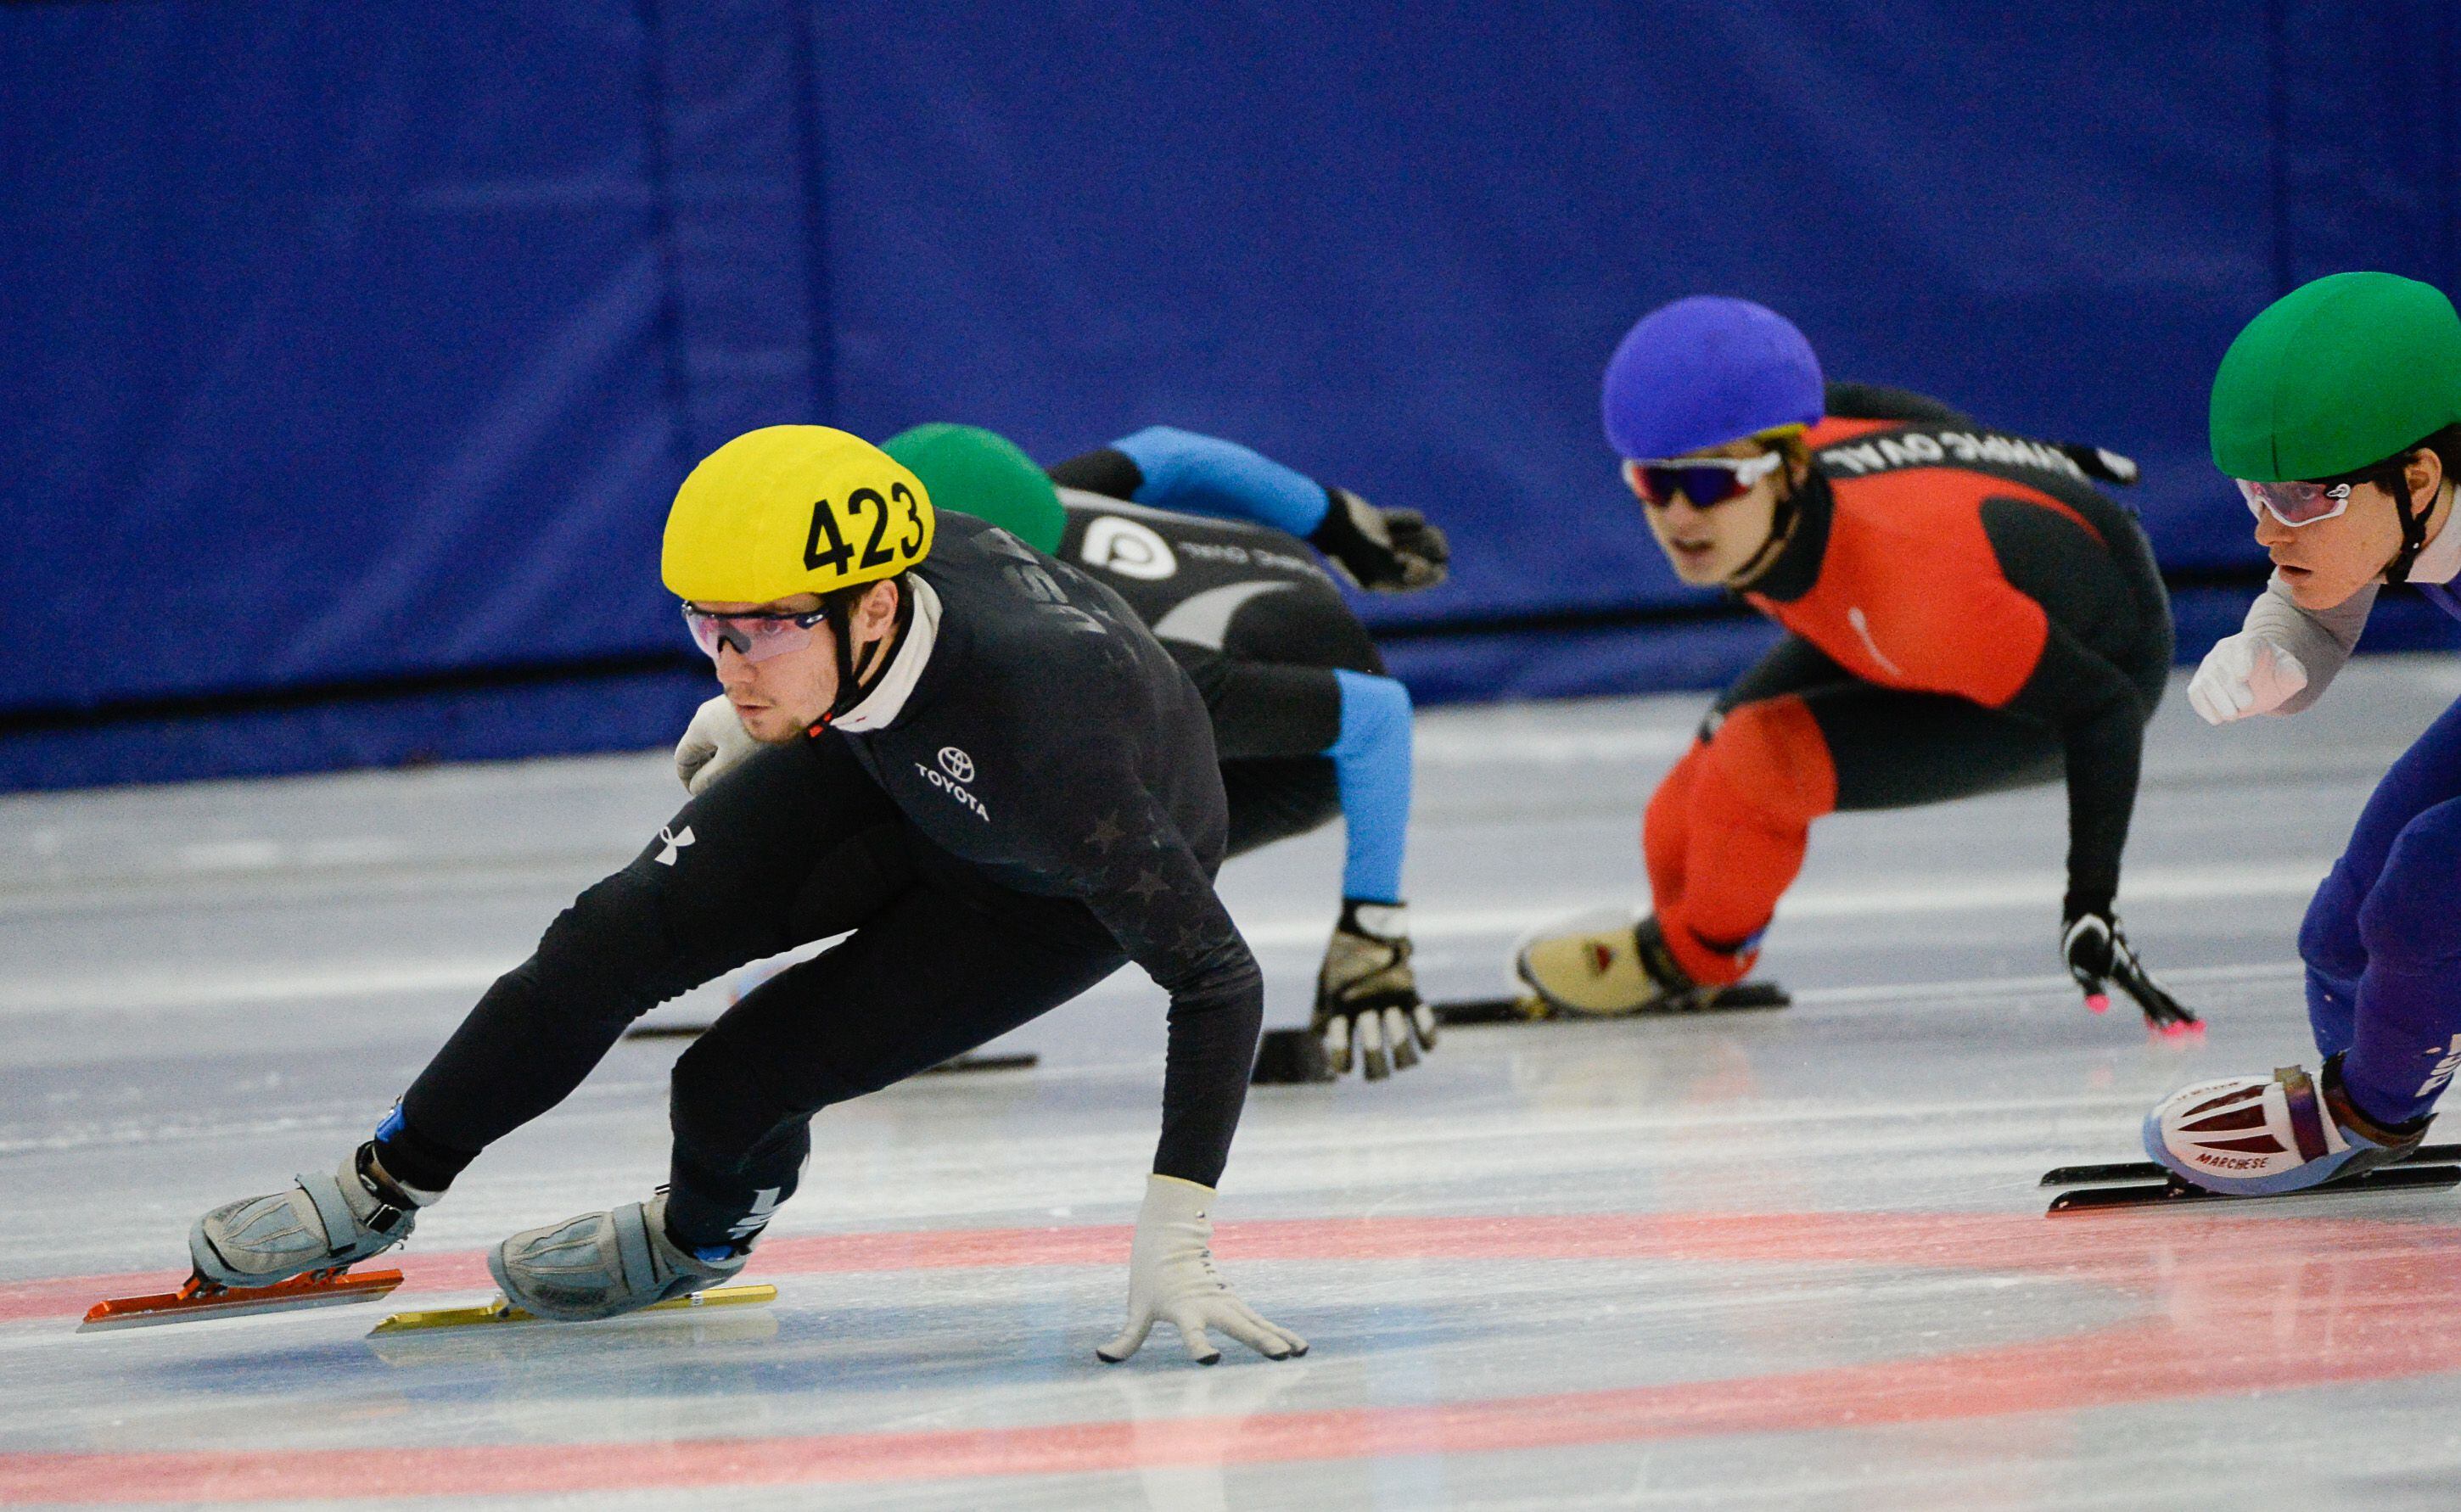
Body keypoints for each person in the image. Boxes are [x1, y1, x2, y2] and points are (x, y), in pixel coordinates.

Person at [184, 425, 1306, 1364]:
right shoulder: (862, 622)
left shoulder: (1055, 740)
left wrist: (1178, 1223)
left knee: (732, 1082)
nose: (727, 661)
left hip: (1033, 891)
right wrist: (775, 694)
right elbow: (839, 673)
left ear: (869, 609)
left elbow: (1219, 977)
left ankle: (696, 1239)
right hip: (883, 759)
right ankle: (381, 1183)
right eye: (705, 627)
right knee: (603, 938)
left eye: (758, 629)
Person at [680, 423, 1446, 1080]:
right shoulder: (1021, 507)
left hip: (1289, 757)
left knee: (1013, 822)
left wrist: (1371, 930)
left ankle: (913, 990)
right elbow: (1170, 451)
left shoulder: (1133, 666)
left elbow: (1378, 719)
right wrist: (1340, 521)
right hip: (1267, 587)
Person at [1515, 295, 2195, 1029]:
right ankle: (1693, 935)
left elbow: (2104, 707)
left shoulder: (1910, 592)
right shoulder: (1785, 438)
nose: (1680, 515)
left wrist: (2089, 904)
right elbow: (1864, 404)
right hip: (1961, 593)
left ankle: (1694, 958)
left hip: (2092, 664)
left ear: (1789, 471)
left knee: (1754, 768)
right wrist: (2023, 453)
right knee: (1676, 814)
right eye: (1656, 482)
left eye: (1712, 481)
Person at [2146, 272, 2461, 1194]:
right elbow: (2317, 599)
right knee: (2342, 937)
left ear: (2415, 477)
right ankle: (2362, 1100)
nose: (2262, 529)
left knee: (2426, 889)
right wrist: (2272, 650)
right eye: (2252, 492)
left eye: (2294, 498)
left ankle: (2368, 1109)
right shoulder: (2397, 496)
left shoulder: (2392, 497)